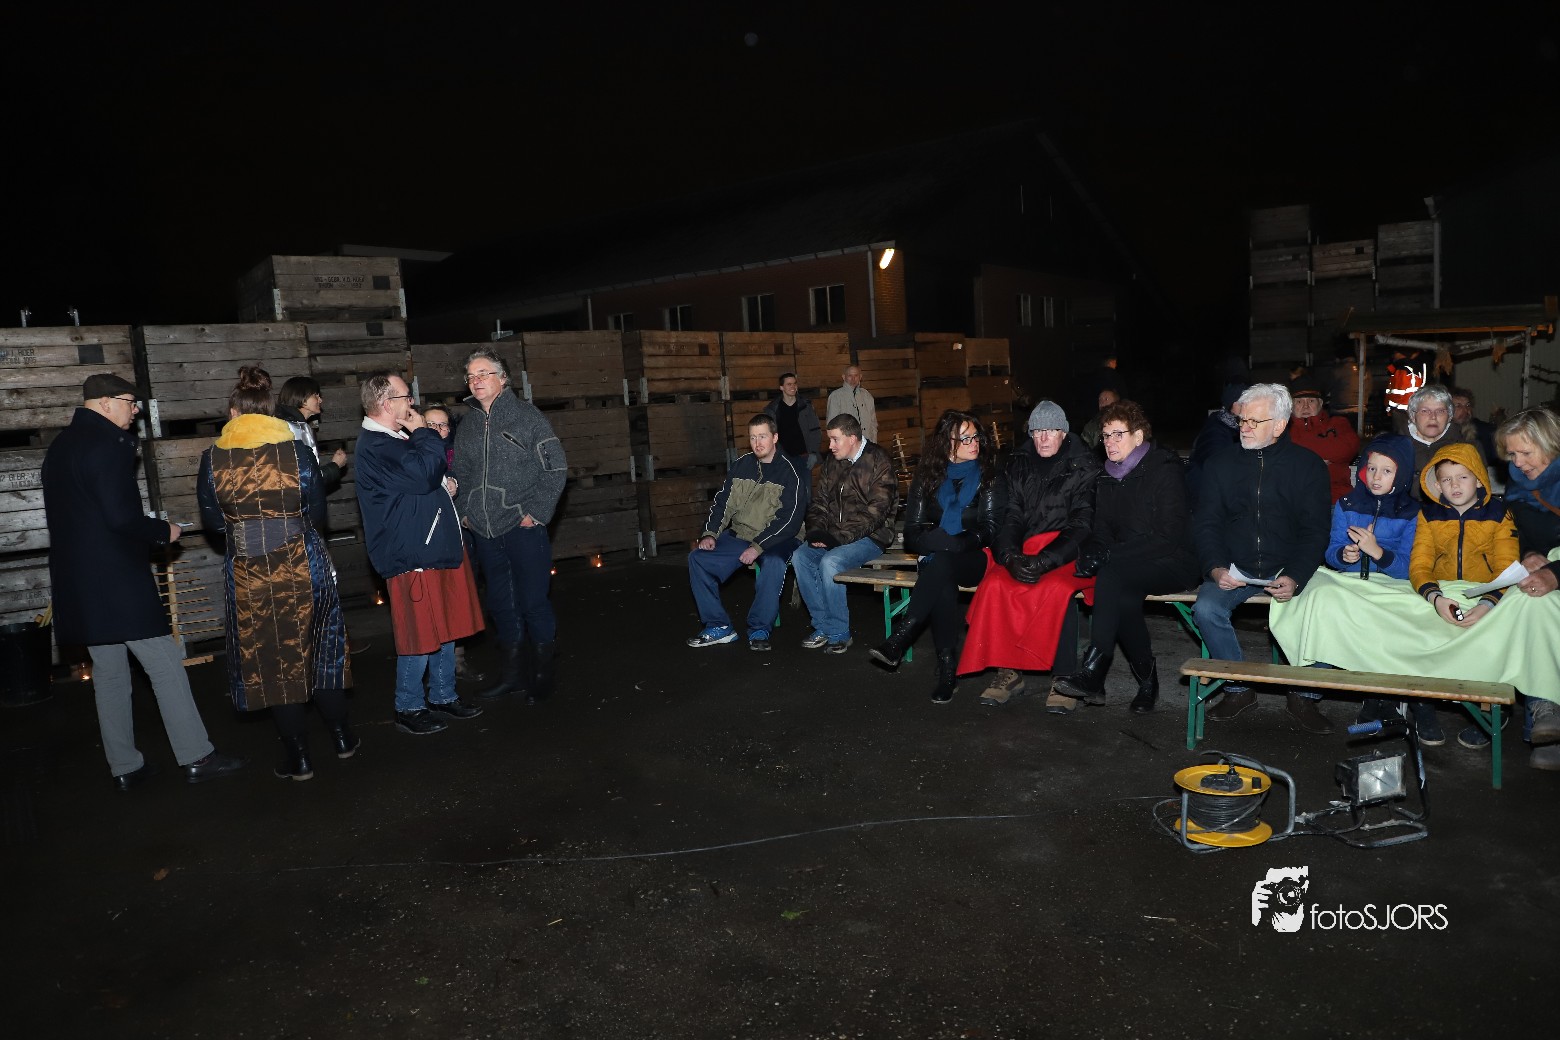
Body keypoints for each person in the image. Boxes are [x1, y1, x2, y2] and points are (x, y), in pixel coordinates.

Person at [1269, 437, 1555, 760]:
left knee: (1503, 619)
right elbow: (1419, 565)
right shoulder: (1420, 513)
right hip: (1434, 589)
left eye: (1462, 477)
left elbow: (1504, 566)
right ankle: (1413, 700)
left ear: (1479, 479)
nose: (1454, 485)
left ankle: (1487, 703)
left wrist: (1487, 600)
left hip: (1479, 589)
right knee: (1385, 615)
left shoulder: (1497, 513)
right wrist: (1347, 557)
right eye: (1446, 479)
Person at [41, 373, 245, 790]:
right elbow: (120, 517)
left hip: (80, 582)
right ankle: (197, 756)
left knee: (110, 673)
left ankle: (124, 766)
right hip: (117, 580)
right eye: (129, 402)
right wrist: (163, 531)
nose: (135, 411)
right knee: (164, 663)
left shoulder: (61, 446)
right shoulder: (107, 445)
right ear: (104, 402)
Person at [196, 366, 354, 780]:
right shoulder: (297, 453)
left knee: (273, 660)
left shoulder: (212, 459)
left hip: (251, 573)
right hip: (304, 562)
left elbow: (213, 524)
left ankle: (299, 759)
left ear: (233, 414)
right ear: (269, 413)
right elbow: (316, 513)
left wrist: (247, 531)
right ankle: (342, 738)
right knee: (322, 646)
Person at [1193, 383, 1331, 732]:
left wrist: (1296, 575)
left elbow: (1315, 531)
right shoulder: (1220, 464)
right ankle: (1238, 688)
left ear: (1280, 425)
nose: (1246, 427)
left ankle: (1304, 694)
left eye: (1256, 421)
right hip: (1234, 565)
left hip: (1288, 565)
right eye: (1243, 420)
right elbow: (1206, 523)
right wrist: (1215, 567)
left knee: (1331, 611)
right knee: (1206, 609)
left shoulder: (1307, 466)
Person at [355, 372, 485, 735]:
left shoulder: (393, 438)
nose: (411, 403)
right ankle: (409, 705)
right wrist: (425, 433)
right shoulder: (377, 444)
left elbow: (423, 483)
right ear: (387, 404)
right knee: (419, 634)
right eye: (405, 397)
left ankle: (443, 694)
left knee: (445, 627)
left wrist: (444, 485)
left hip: (432, 547)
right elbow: (424, 474)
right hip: (411, 555)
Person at [1051, 400, 1198, 713]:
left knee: (1111, 573)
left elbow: (1167, 538)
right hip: (1131, 562)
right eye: (1106, 436)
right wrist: (1096, 549)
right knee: (1125, 602)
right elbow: (1102, 528)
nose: (1110, 442)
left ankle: (1094, 669)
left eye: (1118, 435)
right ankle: (1147, 681)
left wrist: (1108, 554)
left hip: (1173, 560)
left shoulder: (1164, 470)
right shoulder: (1106, 476)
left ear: (1138, 436)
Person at [958, 400, 1099, 710]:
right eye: (1037, 431)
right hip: (1026, 547)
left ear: (1063, 432)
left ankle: (1064, 677)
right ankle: (1009, 672)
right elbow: (1011, 516)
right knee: (996, 584)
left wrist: (1047, 560)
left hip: (1068, 551)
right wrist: (1008, 556)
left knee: (1057, 590)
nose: (1043, 438)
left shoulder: (1084, 466)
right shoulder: (1018, 463)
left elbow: (1082, 524)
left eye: (1050, 431)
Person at [452, 348, 568, 704]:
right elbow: (460, 474)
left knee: (533, 602)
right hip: (484, 530)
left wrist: (535, 513)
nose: (476, 380)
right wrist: (465, 512)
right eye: (471, 376)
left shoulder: (527, 417)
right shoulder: (468, 425)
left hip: (523, 526)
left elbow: (556, 467)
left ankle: (542, 676)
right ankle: (512, 675)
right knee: (502, 604)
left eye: (484, 373)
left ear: (503, 378)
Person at [869, 410, 1006, 703]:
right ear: (947, 443)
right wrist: (933, 541)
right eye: (965, 438)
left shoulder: (988, 474)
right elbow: (913, 530)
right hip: (939, 559)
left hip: (976, 556)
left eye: (976, 436)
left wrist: (958, 542)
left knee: (942, 562)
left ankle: (902, 636)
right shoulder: (927, 476)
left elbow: (990, 528)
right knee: (942, 572)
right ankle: (947, 668)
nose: (974, 443)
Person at [685, 414, 808, 652]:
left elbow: (790, 521)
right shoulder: (742, 465)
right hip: (742, 533)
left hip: (780, 537)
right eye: (753, 438)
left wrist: (758, 547)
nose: (757, 443)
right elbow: (723, 503)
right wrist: (710, 534)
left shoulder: (790, 472)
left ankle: (760, 628)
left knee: (773, 562)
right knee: (698, 558)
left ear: (775, 437)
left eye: (762, 436)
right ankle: (719, 626)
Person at [791, 413, 898, 652]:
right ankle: (823, 625)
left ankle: (839, 632)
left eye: (835, 440)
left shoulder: (879, 461)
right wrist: (817, 533)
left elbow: (876, 513)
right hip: (835, 535)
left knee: (831, 562)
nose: (830, 446)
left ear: (852, 438)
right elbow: (819, 502)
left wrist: (837, 538)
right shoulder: (833, 461)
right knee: (801, 556)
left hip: (871, 536)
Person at [1492, 408, 1560, 767]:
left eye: (1525, 453)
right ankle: (1544, 718)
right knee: (1530, 600)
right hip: (1548, 567)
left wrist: (1556, 574)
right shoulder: (1521, 483)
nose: (1517, 463)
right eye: (1511, 454)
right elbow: (1520, 533)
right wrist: (1529, 554)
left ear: (1551, 444)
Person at [424, 405, 484, 684]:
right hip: (428, 536)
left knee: (460, 594)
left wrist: (457, 485)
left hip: (460, 532)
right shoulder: (413, 452)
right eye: (431, 425)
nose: (438, 430)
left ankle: (458, 660)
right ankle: (434, 666)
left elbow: (470, 479)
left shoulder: (458, 452)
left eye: (443, 425)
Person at [1287, 375, 1360, 503]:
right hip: (1297, 501)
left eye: (1311, 401)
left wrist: (1301, 458)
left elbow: (1348, 449)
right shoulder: (1282, 430)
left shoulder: (1338, 423)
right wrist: (1320, 457)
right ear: (1291, 406)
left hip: (1336, 499)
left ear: (1320, 404)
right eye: (1299, 402)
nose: (1305, 407)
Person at [1402, 385, 1482, 499]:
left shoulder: (1469, 448)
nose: (1433, 417)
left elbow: (1479, 493)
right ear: (1413, 416)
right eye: (1425, 411)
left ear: (1449, 416)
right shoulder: (1397, 447)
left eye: (1440, 411)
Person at [276, 375, 348, 498]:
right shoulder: (291, 429)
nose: (320, 400)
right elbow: (304, 479)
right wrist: (335, 466)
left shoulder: (300, 426)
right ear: (302, 399)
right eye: (316, 395)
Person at [763, 372, 820, 471]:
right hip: (783, 458)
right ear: (781, 387)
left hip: (804, 456)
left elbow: (815, 429)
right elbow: (769, 434)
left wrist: (813, 453)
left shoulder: (806, 406)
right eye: (789, 384)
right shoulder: (773, 409)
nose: (793, 386)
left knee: (804, 481)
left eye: (794, 383)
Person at [1450, 387, 1499, 468]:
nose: (1465, 410)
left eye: (1468, 405)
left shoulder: (1486, 431)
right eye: (1458, 406)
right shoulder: (1441, 433)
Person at [826, 365, 877, 443]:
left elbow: (873, 422)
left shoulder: (867, 396)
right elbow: (831, 425)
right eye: (850, 375)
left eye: (856, 375)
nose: (853, 379)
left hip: (867, 442)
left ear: (860, 377)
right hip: (847, 444)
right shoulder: (836, 397)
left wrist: (874, 441)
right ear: (844, 377)